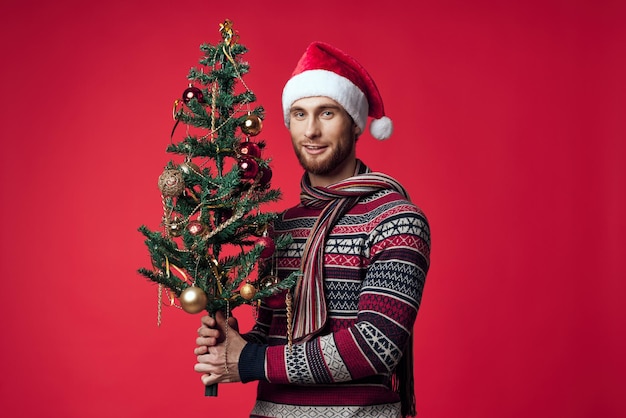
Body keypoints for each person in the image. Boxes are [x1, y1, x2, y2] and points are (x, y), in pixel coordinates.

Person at [194, 41, 431, 418]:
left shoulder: (396, 219)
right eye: (300, 115)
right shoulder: (282, 226)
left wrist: (250, 360)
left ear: (355, 123)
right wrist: (233, 343)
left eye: (327, 113)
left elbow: (376, 346)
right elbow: (273, 334)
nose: (312, 130)